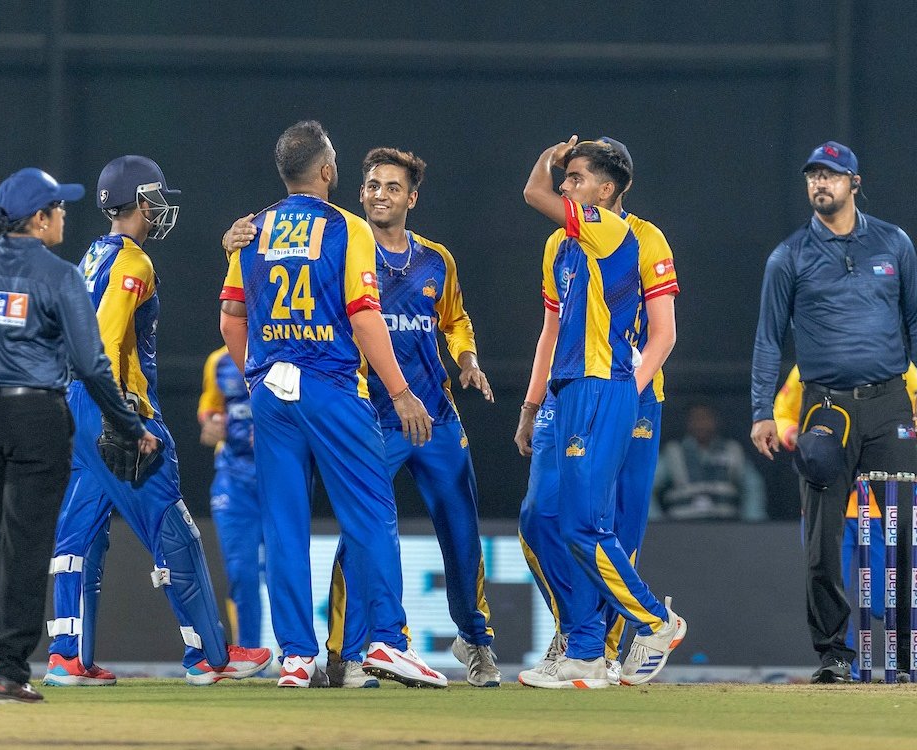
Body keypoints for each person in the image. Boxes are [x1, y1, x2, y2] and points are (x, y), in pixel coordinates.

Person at [225, 147, 500, 688]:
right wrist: (234, 240)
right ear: (352, 187)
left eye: (392, 187)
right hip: (372, 411)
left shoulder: (435, 260)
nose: (380, 194)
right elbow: (357, 315)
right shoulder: (343, 237)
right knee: (363, 530)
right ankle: (350, 653)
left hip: (434, 413)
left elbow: (456, 318)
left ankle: (474, 639)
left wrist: (467, 359)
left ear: (411, 198)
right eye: (373, 185)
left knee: (462, 534)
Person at [0, 167, 158, 704]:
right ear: (38, 218)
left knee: (4, 531)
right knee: (29, 541)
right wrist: (129, 425)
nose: (64, 215)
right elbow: (92, 365)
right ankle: (7, 670)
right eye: (58, 207)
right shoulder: (59, 275)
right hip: (36, 416)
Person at [43, 156, 271, 689]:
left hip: (75, 402)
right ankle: (209, 655)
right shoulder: (134, 261)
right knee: (173, 525)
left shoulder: (93, 253)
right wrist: (121, 417)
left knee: (79, 532)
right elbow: (104, 340)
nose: (161, 207)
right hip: (116, 404)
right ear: (141, 200)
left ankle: (66, 656)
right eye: (156, 197)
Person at [750, 141, 917, 684]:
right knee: (822, 538)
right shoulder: (788, 255)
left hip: (890, 404)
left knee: (904, 532)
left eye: (832, 175)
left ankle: (911, 653)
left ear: (854, 183)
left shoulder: (893, 242)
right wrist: (763, 411)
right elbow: (768, 339)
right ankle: (834, 654)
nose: (821, 183)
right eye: (814, 175)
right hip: (825, 409)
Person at [516, 136, 686, 689]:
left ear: (607, 189)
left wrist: (627, 394)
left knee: (609, 524)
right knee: (542, 516)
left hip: (624, 391)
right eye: (565, 178)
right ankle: (580, 635)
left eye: (577, 178)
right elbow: (551, 329)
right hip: (568, 391)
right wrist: (532, 403)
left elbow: (663, 333)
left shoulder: (638, 236)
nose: (567, 185)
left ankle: (600, 647)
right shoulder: (558, 244)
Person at [773, 362, 917, 682]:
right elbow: (783, 411)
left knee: (882, 600)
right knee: (833, 588)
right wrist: (796, 436)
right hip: (830, 498)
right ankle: (842, 666)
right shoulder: (812, 362)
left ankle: (908, 658)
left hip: (877, 509)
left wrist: (889, 438)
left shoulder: (899, 365)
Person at [198, 344, 265, 650]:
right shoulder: (219, 360)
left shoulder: (289, 349)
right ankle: (249, 654)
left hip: (280, 477)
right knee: (240, 572)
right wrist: (211, 422)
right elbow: (210, 407)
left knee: (284, 571)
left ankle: (296, 653)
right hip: (233, 479)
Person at [652, 402, 766, 521]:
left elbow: (753, 487)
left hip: (726, 524)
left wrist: (752, 522)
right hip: (681, 524)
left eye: (706, 418)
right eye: (696, 419)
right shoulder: (673, 452)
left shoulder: (733, 450)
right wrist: (655, 523)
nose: (701, 424)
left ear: (716, 421)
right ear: (688, 422)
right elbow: (649, 487)